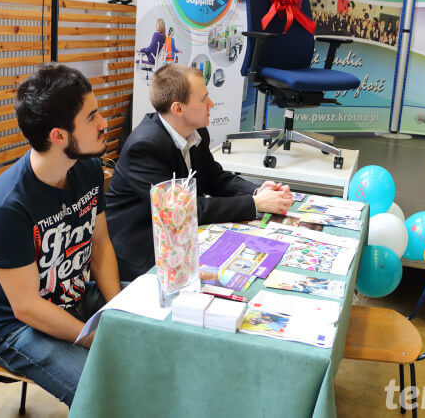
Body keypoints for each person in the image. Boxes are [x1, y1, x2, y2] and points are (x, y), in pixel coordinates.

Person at [0, 63, 122, 407]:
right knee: (108, 390)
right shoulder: (5, 208)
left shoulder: (85, 167)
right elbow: (26, 307)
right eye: (92, 117)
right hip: (20, 328)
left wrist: (117, 310)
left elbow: (99, 243)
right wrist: (91, 337)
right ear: (58, 136)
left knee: (162, 331)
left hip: (78, 298)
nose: (104, 123)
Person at [106, 64, 293, 280]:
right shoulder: (145, 146)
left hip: (178, 238)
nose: (211, 104)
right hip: (141, 251)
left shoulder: (196, 130)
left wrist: (257, 191)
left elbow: (215, 178)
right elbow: (180, 211)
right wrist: (255, 204)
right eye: (204, 99)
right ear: (178, 109)